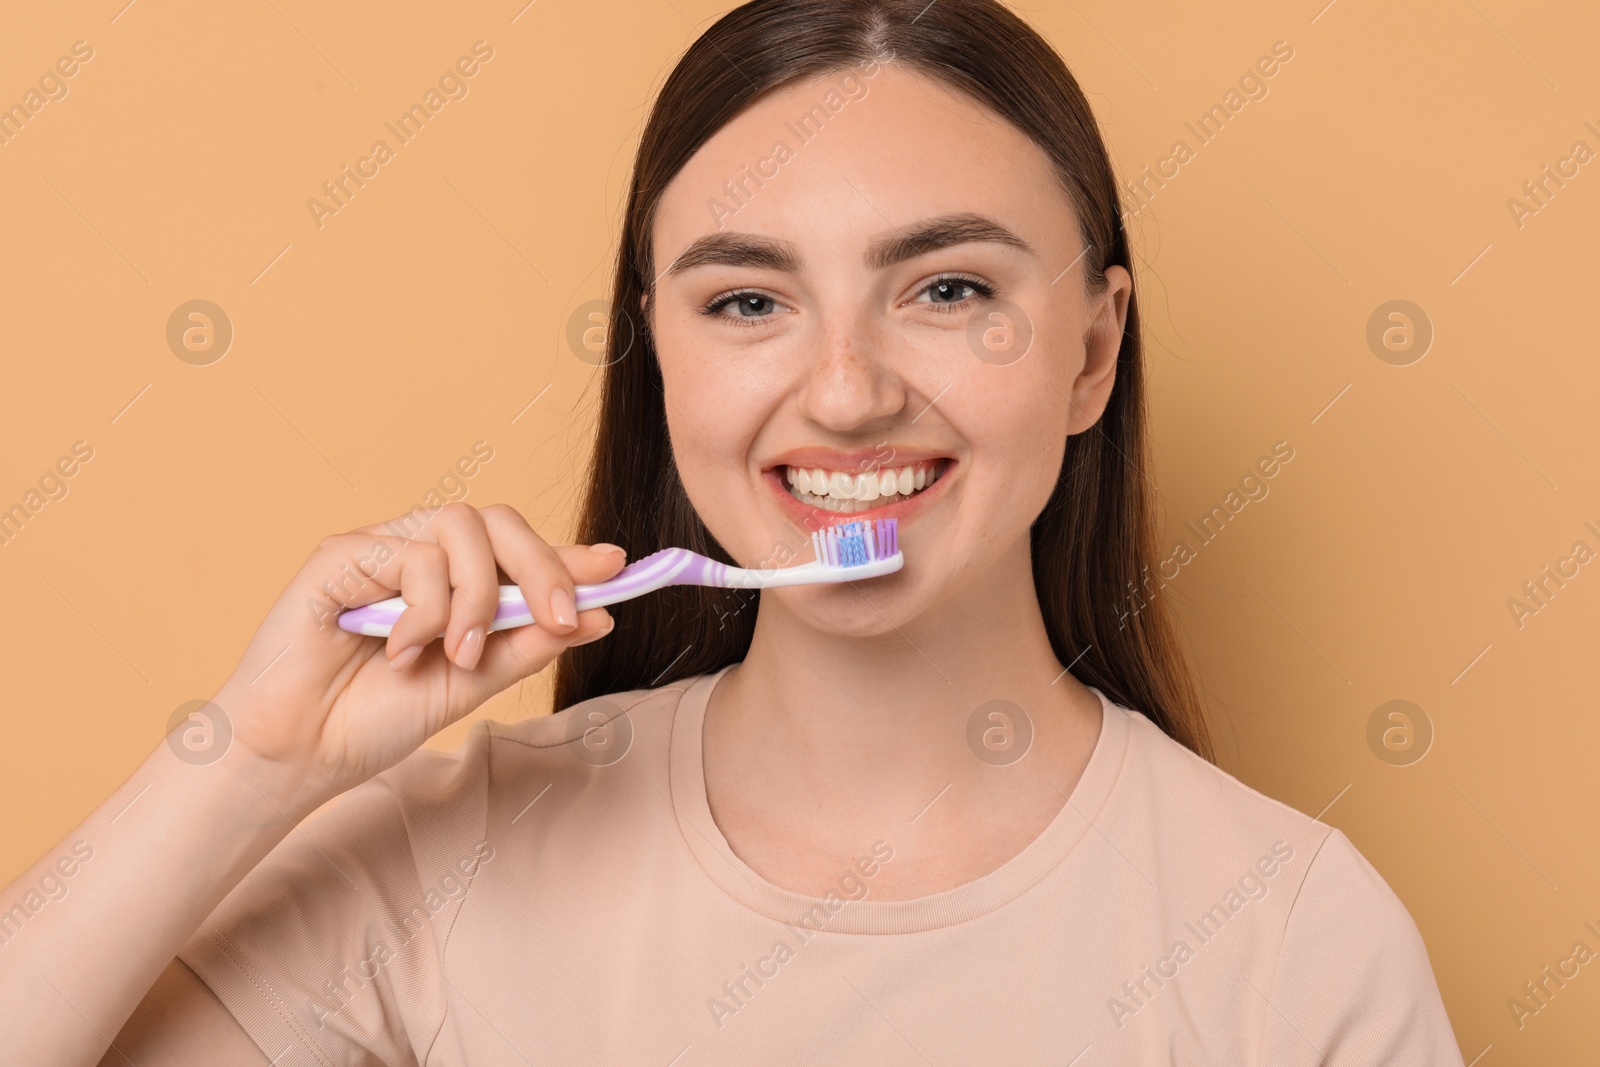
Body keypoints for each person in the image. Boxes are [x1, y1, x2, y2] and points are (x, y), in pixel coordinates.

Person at [0, 1, 1467, 1063]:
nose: (843, 391)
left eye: (948, 289)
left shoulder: (1287, 942)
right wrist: (246, 767)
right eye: (748, 301)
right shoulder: (456, 857)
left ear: (1092, 351)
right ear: (660, 352)